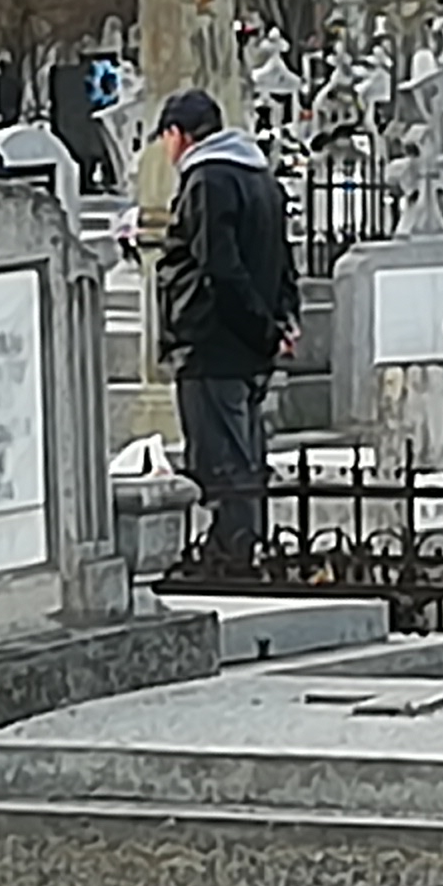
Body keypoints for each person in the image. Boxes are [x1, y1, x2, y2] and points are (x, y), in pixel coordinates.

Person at [154, 87, 292, 558]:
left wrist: (261, 329)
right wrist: (282, 321)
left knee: (222, 460)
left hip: (213, 342)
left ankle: (235, 553)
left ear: (179, 135)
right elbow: (281, 259)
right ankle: (240, 544)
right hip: (250, 344)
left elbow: (220, 268)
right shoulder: (260, 176)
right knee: (245, 453)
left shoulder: (207, 181)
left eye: (166, 138)